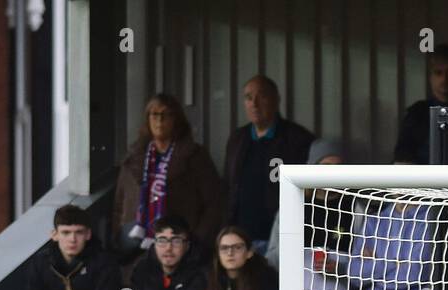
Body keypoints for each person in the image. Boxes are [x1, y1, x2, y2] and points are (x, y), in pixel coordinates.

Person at [113, 92, 224, 256]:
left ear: (177, 120)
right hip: (136, 250)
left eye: (166, 115)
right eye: (155, 114)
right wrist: (120, 237)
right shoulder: (133, 157)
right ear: (147, 119)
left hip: (180, 251)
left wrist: (195, 243)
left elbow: (214, 204)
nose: (159, 120)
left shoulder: (194, 156)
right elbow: (119, 205)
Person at [222, 75, 315, 250]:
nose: (254, 104)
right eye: (249, 98)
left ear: (276, 99)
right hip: (241, 239)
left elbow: (310, 194)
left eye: (261, 96)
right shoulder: (237, 139)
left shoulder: (298, 139)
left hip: (280, 240)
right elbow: (227, 187)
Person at [265, 138, 352, 270]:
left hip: (341, 289)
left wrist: (341, 268)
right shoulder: (292, 208)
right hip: (295, 289)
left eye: (337, 167)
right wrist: (289, 243)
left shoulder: (356, 210)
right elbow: (271, 261)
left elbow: (366, 264)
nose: (332, 173)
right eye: (326, 166)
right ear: (312, 169)